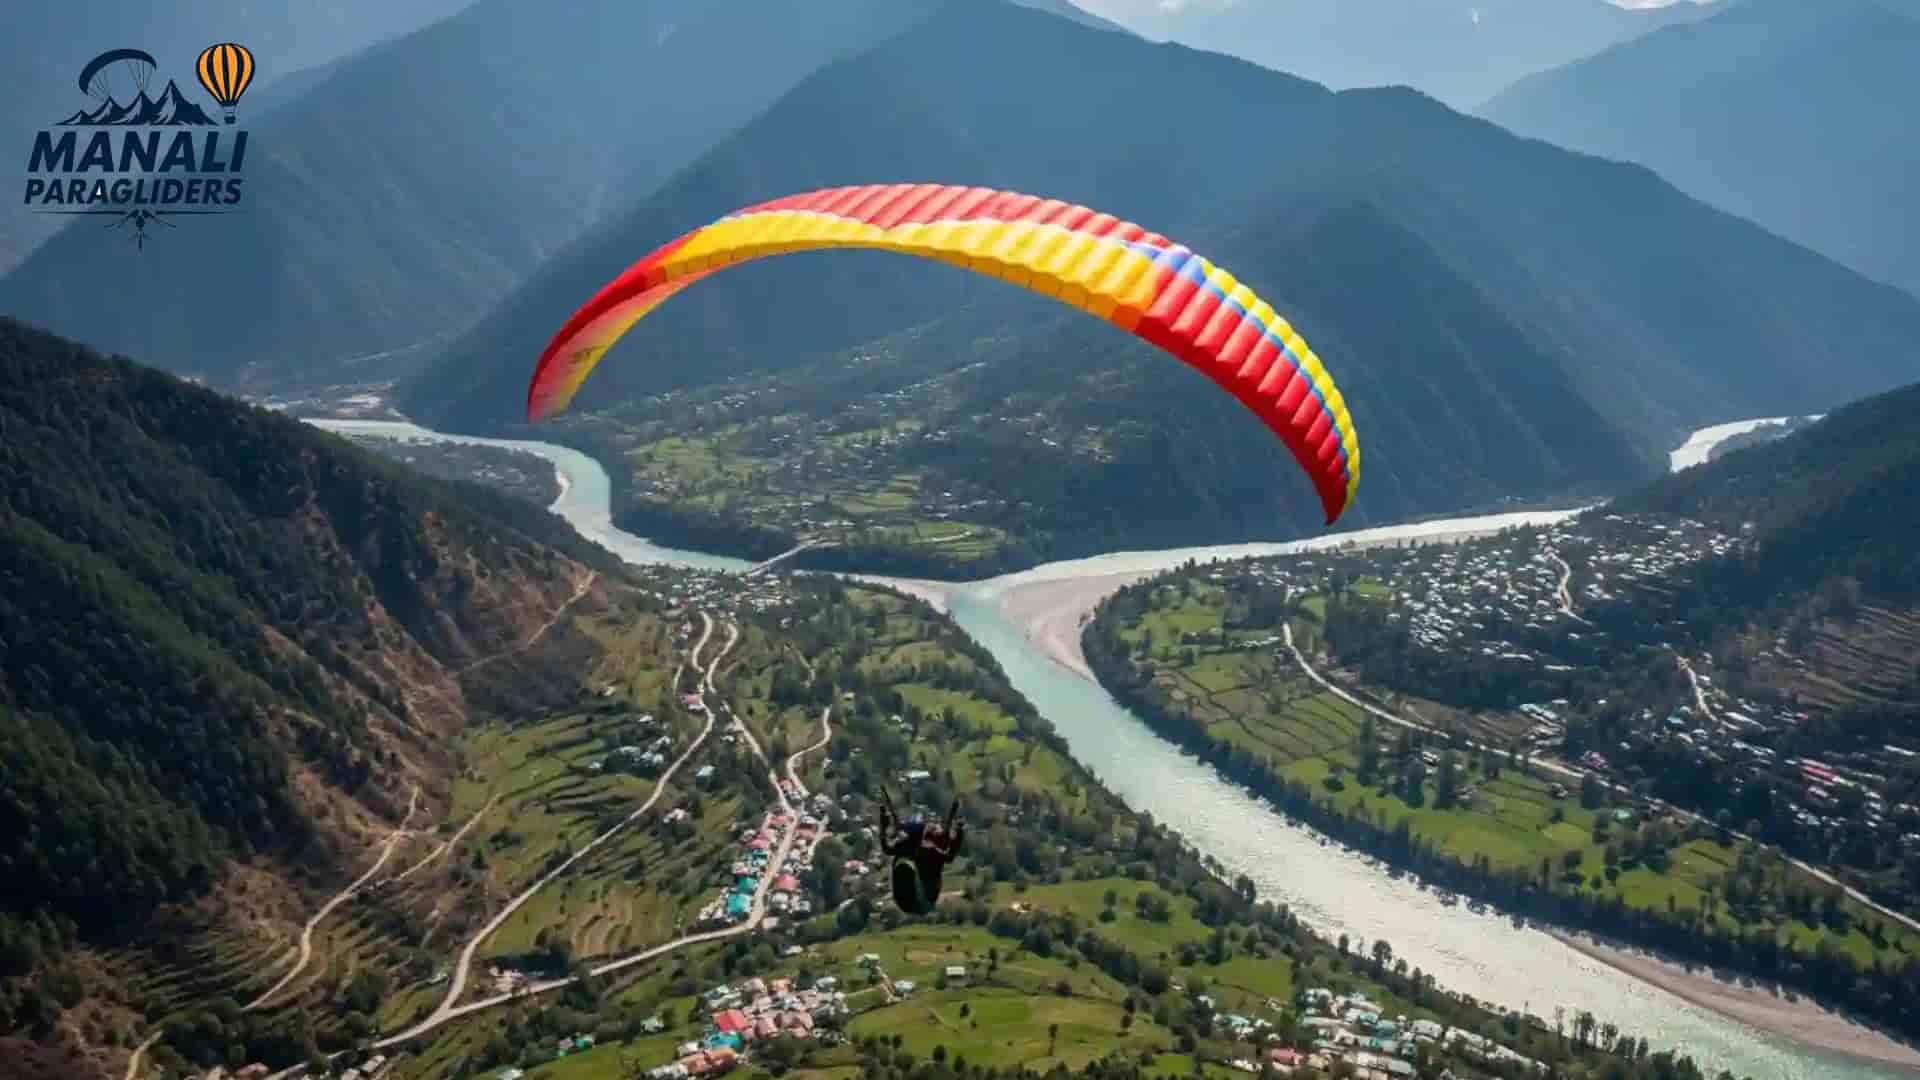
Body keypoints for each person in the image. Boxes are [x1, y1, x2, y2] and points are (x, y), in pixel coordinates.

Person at [878, 790, 964, 915]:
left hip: (923, 901)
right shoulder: (921, 845)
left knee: (904, 860)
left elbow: (949, 856)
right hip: (910, 900)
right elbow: (887, 848)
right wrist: (883, 824)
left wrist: (883, 825)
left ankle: (909, 886)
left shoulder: (929, 848)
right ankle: (907, 887)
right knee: (902, 859)